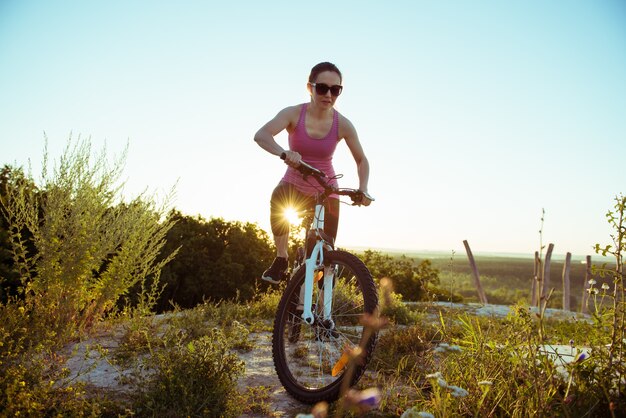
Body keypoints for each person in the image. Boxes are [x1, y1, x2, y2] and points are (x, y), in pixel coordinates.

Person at [254, 61, 372, 284]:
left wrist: (363, 188)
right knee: (279, 198)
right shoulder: (293, 114)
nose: (329, 94)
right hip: (294, 183)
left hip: (326, 188)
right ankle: (281, 260)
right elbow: (261, 135)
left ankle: (312, 302)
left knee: (322, 256)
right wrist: (284, 153)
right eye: (322, 88)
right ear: (310, 87)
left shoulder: (343, 124)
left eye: (335, 90)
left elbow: (361, 160)